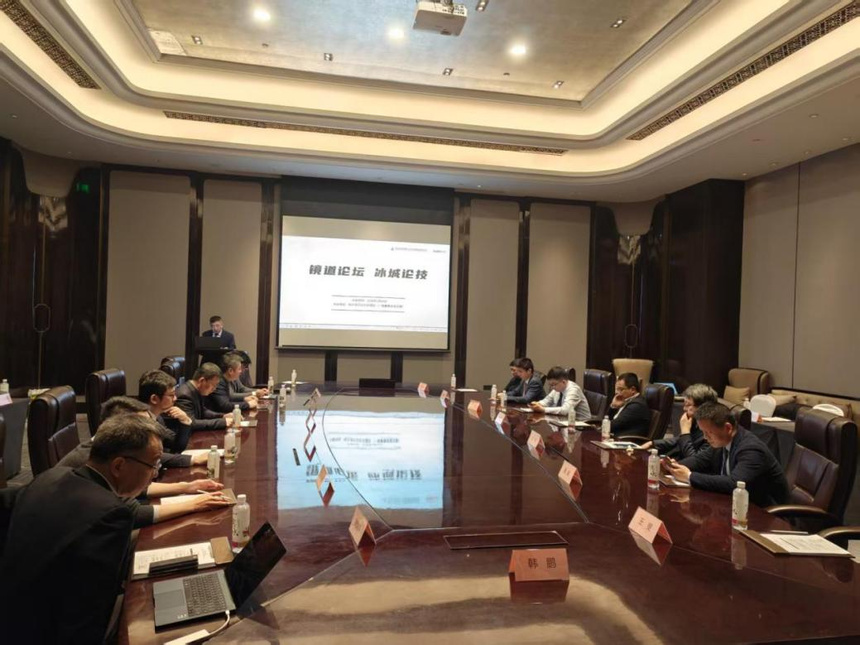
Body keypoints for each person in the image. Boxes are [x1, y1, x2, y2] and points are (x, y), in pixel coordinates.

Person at [0, 414, 162, 643]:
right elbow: (90, 612)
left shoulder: (52, 475)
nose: (154, 474)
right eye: (153, 465)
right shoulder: (111, 514)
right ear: (118, 466)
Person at [56, 397, 230, 528]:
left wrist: (187, 487)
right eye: (142, 427)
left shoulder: (109, 450)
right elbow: (131, 513)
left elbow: (137, 490)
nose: (155, 472)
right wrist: (194, 504)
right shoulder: (91, 460)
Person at [665, 401, 789, 507]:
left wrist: (689, 476)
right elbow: (699, 460)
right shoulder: (722, 441)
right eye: (703, 432)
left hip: (767, 515)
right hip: (736, 507)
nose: (705, 438)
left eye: (708, 433)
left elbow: (734, 484)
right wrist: (671, 467)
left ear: (728, 428)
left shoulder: (751, 449)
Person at [138, 369, 200, 463]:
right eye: (171, 395)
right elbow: (151, 456)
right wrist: (193, 460)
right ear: (154, 399)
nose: (175, 399)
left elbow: (176, 445)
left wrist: (185, 421)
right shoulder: (139, 423)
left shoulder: (157, 417)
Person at [643, 383, 717, 458]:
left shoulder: (712, 433)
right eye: (684, 404)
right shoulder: (695, 422)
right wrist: (652, 443)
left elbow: (694, 459)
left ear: (703, 407)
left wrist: (685, 432)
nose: (684, 409)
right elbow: (678, 440)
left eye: (688, 405)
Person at [175, 362, 234, 431]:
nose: (214, 389)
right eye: (214, 385)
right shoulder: (184, 396)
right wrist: (223, 422)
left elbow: (203, 411)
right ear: (202, 380)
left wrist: (223, 416)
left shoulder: (196, 390)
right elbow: (191, 423)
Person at [607, 372, 651, 436]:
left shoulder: (636, 406)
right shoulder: (624, 400)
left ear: (632, 389)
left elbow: (611, 426)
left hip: (625, 440)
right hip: (615, 436)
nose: (616, 392)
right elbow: (607, 420)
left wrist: (602, 426)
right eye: (616, 389)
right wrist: (613, 406)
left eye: (620, 389)